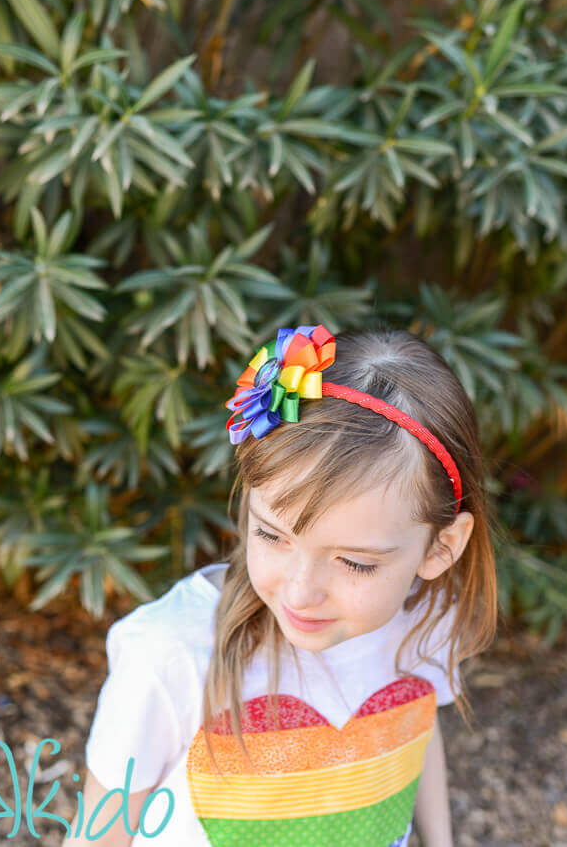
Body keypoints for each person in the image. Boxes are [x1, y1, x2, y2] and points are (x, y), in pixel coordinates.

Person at [63, 325, 498, 847]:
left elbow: (412, 731)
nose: (299, 591)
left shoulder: (427, 619)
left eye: (355, 563)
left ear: (440, 549)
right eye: (272, 534)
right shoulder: (171, 657)